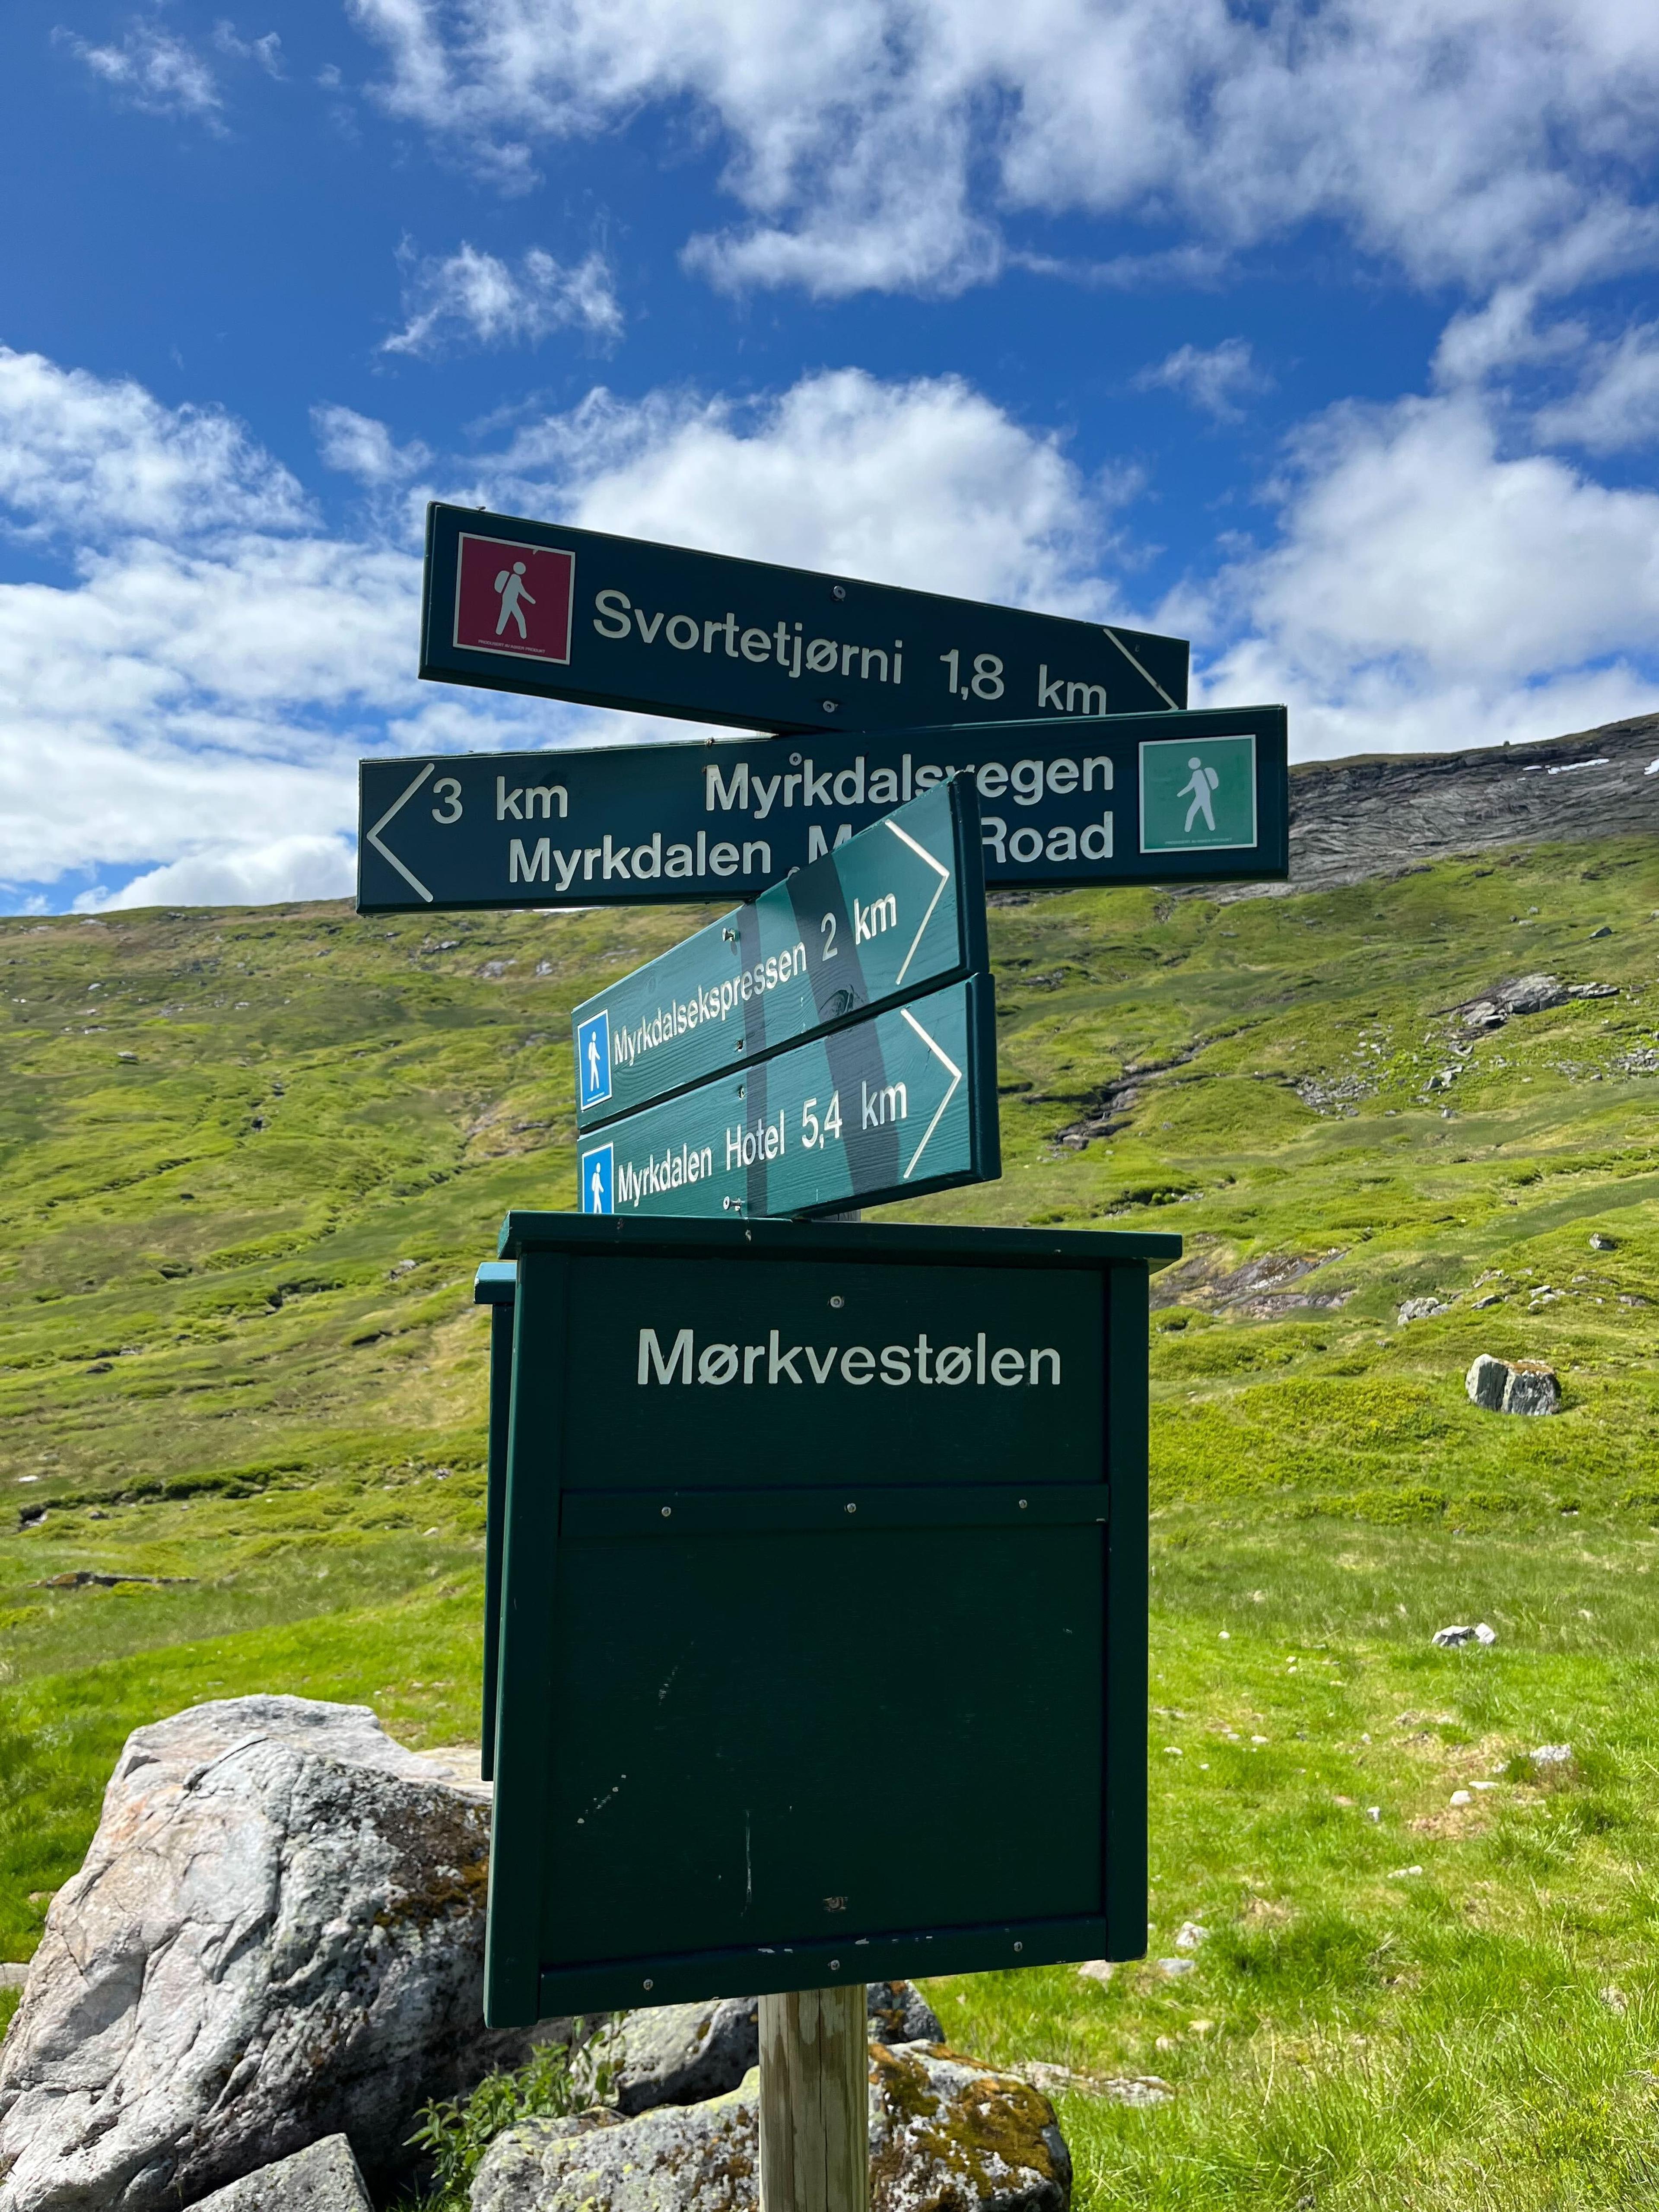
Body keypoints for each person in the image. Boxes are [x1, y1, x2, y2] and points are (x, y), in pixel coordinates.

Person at [495, 560, 535, 639]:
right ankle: (524, 637)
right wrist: (532, 601)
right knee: (520, 618)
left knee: (504, 616)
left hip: (506, 599)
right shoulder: (517, 579)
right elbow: (523, 592)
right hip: (512, 601)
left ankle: (498, 632)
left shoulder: (511, 576)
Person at [1179, 754, 1219, 833]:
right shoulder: (1204, 772)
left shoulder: (1197, 774)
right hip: (1207, 795)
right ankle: (1212, 828)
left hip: (1200, 797)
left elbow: (1190, 786)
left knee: (1191, 813)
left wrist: (1180, 794)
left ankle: (1187, 831)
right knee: (1208, 812)